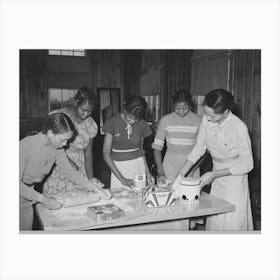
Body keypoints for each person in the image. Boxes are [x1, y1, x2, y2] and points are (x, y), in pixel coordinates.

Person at [177, 89, 254, 230]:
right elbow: (200, 147)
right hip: (216, 173)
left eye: (212, 116)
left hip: (234, 179)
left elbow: (247, 164)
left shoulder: (238, 127)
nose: (208, 118)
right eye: (206, 113)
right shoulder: (207, 119)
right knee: (216, 218)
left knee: (232, 219)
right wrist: (182, 172)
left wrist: (214, 174)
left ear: (225, 112)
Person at [20, 112, 111, 230]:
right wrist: (42, 199)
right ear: (50, 133)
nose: (66, 144)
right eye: (63, 139)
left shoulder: (56, 148)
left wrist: (93, 188)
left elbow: (70, 172)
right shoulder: (24, 146)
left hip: (29, 195)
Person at [43, 86, 101, 195]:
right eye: (84, 110)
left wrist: (90, 178)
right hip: (58, 166)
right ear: (76, 102)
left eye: (90, 112)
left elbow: (88, 154)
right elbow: (48, 146)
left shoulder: (91, 124)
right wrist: (68, 162)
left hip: (79, 168)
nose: (86, 114)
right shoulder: (58, 117)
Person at [102, 95, 153, 192]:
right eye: (130, 118)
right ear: (125, 109)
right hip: (118, 168)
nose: (132, 121)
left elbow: (141, 151)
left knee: (139, 200)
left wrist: (147, 172)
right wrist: (122, 179)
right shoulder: (112, 122)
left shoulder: (142, 124)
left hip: (138, 166)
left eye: (136, 119)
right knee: (121, 199)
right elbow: (106, 154)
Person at [152, 90, 202, 183]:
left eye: (184, 108)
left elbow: (201, 149)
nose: (181, 111)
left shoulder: (198, 120)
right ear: (173, 105)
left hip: (191, 164)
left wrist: (192, 170)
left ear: (190, 105)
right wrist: (160, 170)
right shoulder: (166, 120)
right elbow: (157, 147)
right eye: (177, 108)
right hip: (170, 164)